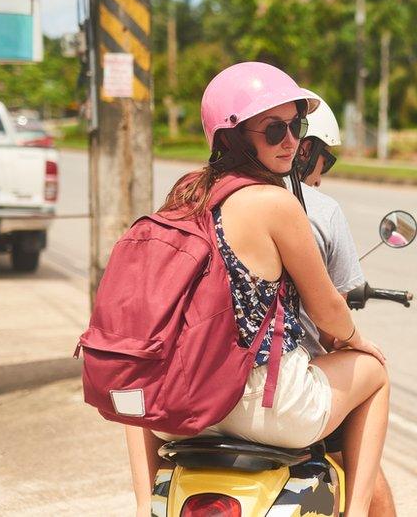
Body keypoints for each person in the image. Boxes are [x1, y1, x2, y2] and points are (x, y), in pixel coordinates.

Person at [124, 62, 389, 517]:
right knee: (375, 372)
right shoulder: (276, 203)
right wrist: (359, 343)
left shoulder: (184, 197)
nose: (291, 142)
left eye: (296, 126)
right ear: (232, 138)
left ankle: (146, 503)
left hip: (180, 410)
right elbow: (328, 311)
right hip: (266, 407)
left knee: (145, 377)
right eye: (273, 130)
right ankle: (359, 510)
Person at [286, 90, 397, 516]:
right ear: (304, 149)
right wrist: (354, 340)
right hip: (284, 389)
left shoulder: (197, 203)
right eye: (324, 160)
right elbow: (333, 322)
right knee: (374, 370)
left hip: (198, 388)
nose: (322, 174)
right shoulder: (314, 208)